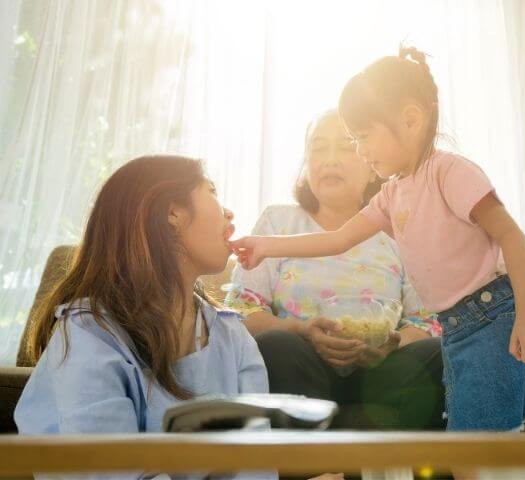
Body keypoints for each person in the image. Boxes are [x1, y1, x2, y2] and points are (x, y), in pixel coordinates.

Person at [230, 48, 525, 435]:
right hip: (457, 328)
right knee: (468, 447)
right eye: (345, 141)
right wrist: (266, 245)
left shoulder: (449, 173)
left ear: (410, 119)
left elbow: (510, 235)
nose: (357, 150)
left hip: (492, 317)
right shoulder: (393, 196)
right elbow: (338, 240)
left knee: (495, 444)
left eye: (360, 138)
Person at [15, 155, 341, 480]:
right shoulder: (89, 333)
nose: (229, 212)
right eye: (211, 190)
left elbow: (254, 471)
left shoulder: (234, 339)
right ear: (172, 213)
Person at [226, 110, 444, 430]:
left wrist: (389, 343)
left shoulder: (398, 231)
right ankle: (315, 471)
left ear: (373, 168)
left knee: (437, 354)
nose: (330, 160)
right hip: (301, 364)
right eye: (318, 148)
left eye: (346, 147)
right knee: (277, 346)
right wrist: (303, 332)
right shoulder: (278, 221)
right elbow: (244, 312)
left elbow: (425, 320)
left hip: (380, 373)